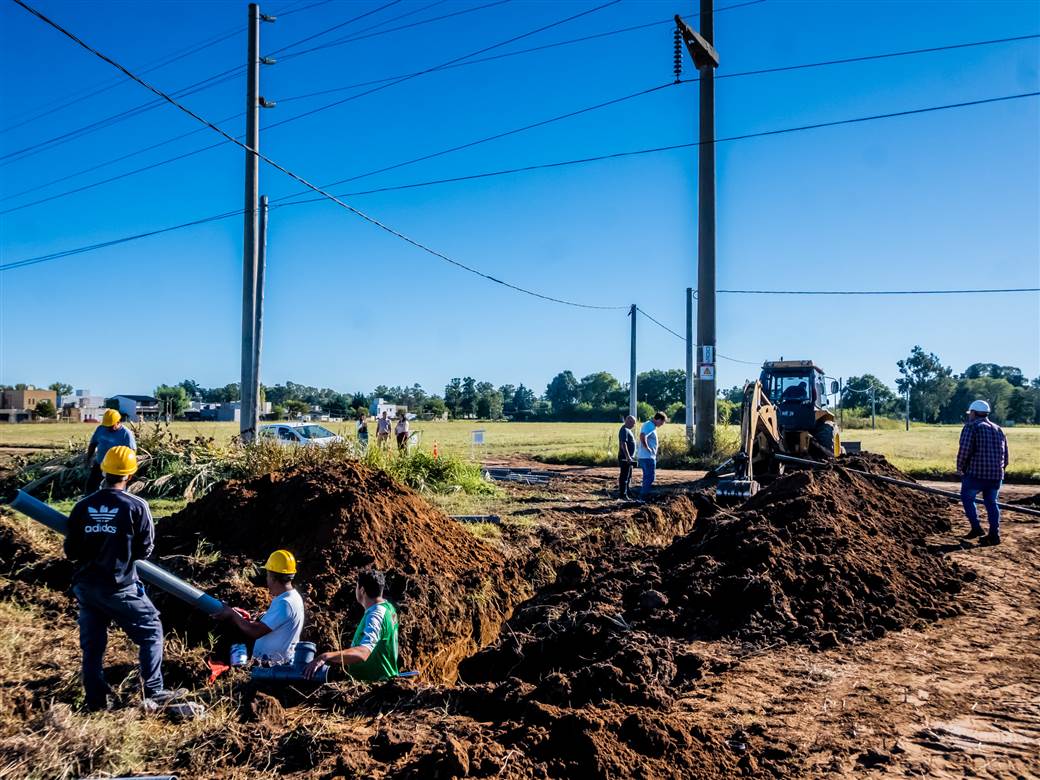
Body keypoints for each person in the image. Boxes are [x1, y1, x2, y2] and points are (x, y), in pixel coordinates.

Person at [64, 445, 181, 711]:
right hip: (119, 586)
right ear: (130, 475)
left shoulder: (82, 506)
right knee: (151, 630)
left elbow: (71, 551)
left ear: (104, 470)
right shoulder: (137, 506)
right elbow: (145, 549)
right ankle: (154, 690)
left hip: (86, 587)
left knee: (93, 646)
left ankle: (95, 702)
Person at [303, 569, 399, 682]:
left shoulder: (376, 615)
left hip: (374, 685)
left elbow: (363, 652)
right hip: (376, 681)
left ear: (362, 590)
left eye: (357, 586)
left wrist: (325, 656)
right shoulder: (388, 607)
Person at [214, 550, 304, 665]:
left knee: (236, 633)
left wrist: (232, 614)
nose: (267, 579)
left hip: (272, 668)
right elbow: (271, 625)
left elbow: (254, 632)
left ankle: (235, 667)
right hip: (272, 663)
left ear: (273, 577)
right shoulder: (293, 597)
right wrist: (249, 619)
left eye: (267, 575)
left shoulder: (285, 603)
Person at [957, 399, 1009, 547]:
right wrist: (1001, 469)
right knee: (992, 503)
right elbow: (1006, 455)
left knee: (967, 498)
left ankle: (976, 528)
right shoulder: (998, 429)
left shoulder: (972, 427)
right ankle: (994, 535)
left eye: (970, 413)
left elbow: (965, 450)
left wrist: (959, 467)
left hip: (976, 474)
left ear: (973, 413)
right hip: (996, 475)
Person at [84, 409, 136, 493]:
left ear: (118, 422)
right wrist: (88, 459)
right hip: (100, 464)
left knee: (116, 490)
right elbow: (93, 444)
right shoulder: (101, 429)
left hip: (116, 469)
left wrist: (128, 469)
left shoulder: (126, 434)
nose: (108, 428)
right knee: (91, 487)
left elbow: (132, 452)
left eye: (110, 426)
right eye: (106, 426)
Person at [637, 411, 667, 499]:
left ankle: (643, 495)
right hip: (647, 457)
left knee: (648, 477)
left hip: (646, 457)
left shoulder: (650, 425)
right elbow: (642, 436)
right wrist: (648, 448)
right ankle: (643, 497)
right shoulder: (650, 425)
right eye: (662, 422)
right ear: (658, 419)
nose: (662, 424)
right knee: (649, 477)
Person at [617, 415, 637, 501]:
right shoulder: (624, 430)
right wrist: (628, 456)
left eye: (634, 423)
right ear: (627, 421)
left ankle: (627, 491)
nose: (633, 425)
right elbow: (623, 444)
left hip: (628, 458)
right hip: (625, 457)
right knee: (624, 476)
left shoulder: (627, 430)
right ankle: (623, 495)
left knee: (628, 476)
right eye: (632, 423)